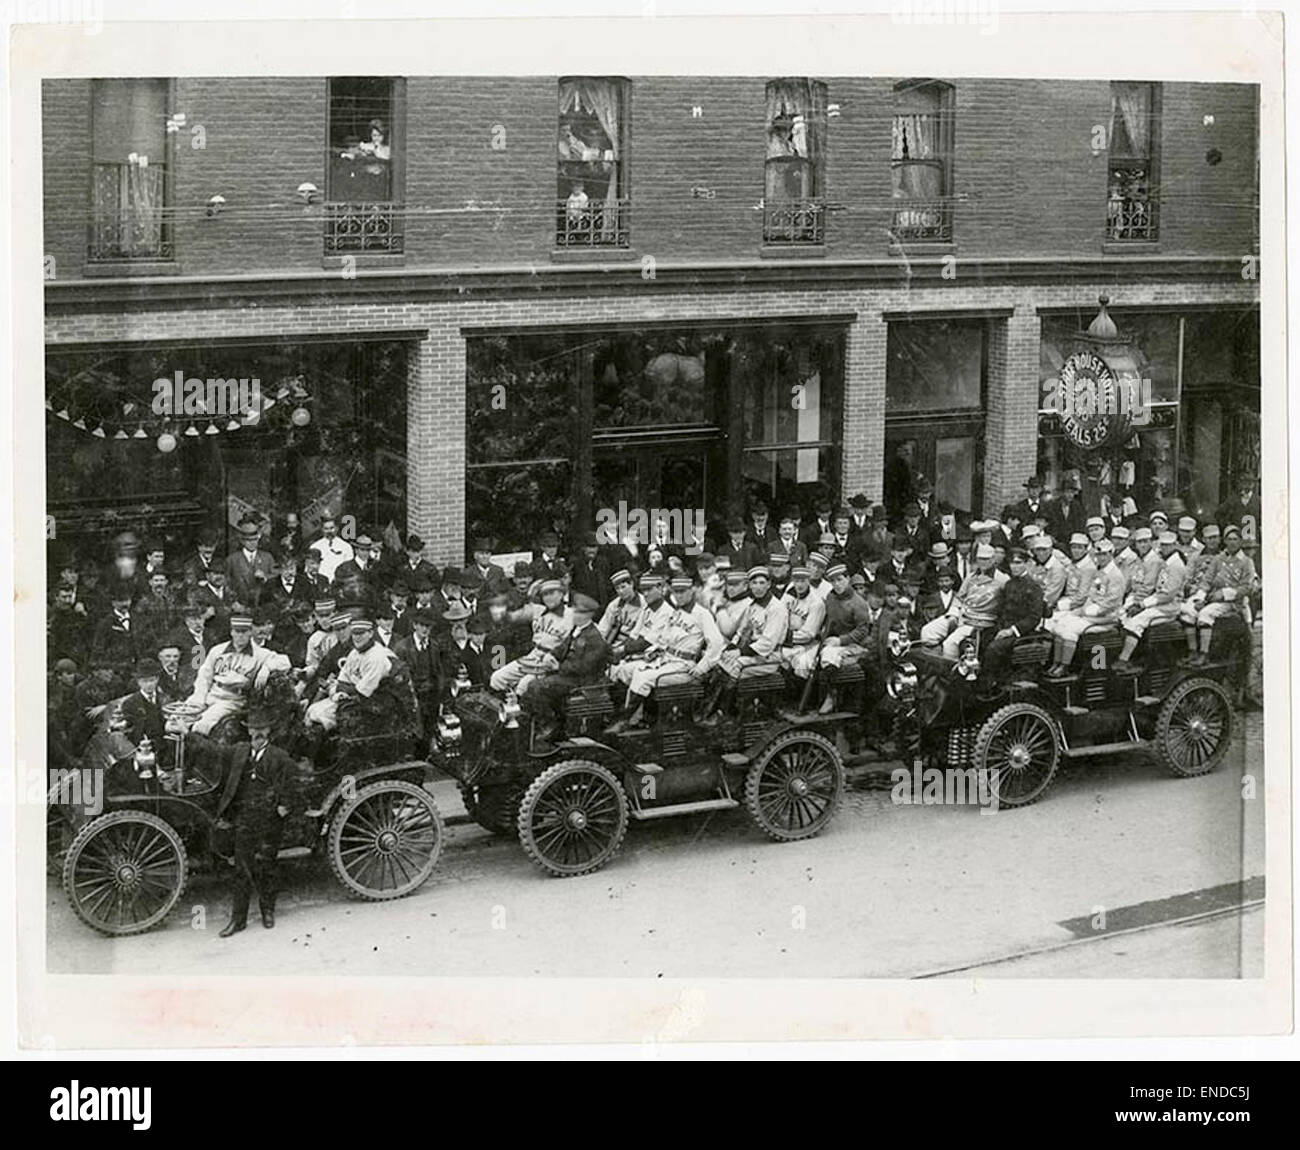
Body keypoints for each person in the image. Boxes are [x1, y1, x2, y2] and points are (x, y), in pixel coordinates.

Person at [212, 706, 304, 937]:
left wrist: (284, 807)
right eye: (253, 730)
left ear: (269, 732)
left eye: (262, 730)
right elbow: (214, 751)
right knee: (241, 870)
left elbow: (293, 783)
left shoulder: (280, 757)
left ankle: (267, 912)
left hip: (269, 821)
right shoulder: (240, 752)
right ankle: (238, 920)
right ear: (248, 732)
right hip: (245, 819)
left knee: (266, 867)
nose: (257, 734)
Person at [523, 595, 609, 752]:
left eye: (578, 613)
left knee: (538, 687)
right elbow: (562, 648)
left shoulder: (595, 638)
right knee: (531, 685)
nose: (574, 615)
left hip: (583, 682)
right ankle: (541, 725)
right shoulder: (576, 631)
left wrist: (558, 667)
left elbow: (584, 667)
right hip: (568, 676)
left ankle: (550, 726)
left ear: (588, 615)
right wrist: (551, 656)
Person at [186, 610, 286, 736]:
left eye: (244, 632)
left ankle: (195, 753)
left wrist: (266, 668)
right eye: (237, 631)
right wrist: (199, 699)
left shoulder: (259, 653)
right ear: (231, 632)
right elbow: (204, 677)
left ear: (250, 632)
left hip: (232, 700)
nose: (240, 636)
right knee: (177, 720)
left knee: (202, 724)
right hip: (212, 694)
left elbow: (285, 661)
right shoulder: (217, 650)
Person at [1044, 538, 1126, 677]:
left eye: (1104, 554)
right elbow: (1091, 595)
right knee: (1059, 626)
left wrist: (1086, 611)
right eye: (1098, 555)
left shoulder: (1115, 575)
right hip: (1091, 613)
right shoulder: (1099, 572)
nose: (1101, 558)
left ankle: (1065, 667)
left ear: (1111, 554)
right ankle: (1056, 663)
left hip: (1107, 617)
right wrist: (1080, 610)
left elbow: (1110, 603)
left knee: (1070, 630)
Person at [305, 615, 398, 733]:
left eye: (361, 633)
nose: (357, 637)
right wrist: (338, 689)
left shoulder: (377, 655)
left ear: (370, 633)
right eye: (355, 633)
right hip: (352, 697)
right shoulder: (354, 653)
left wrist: (339, 688)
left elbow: (363, 692)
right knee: (312, 711)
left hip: (377, 702)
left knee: (320, 717)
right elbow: (342, 680)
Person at [1184, 524, 1257, 665]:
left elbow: (1247, 587)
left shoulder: (1247, 562)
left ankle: (1204, 654)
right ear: (1225, 541)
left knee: (1205, 614)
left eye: (1235, 539)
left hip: (1233, 602)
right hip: (1214, 598)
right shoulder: (1218, 559)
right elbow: (1207, 580)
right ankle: (1192, 651)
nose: (1232, 542)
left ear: (1240, 541)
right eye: (1229, 539)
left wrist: (1224, 594)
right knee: (1189, 611)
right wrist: (1200, 598)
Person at [488, 578, 574, 696]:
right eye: (545, 595)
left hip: (552, 661)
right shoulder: (538, 610)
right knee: (497, 678)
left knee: (524, 686)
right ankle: (505, 709)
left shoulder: (572, 615)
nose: (548, 598)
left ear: (561, 594)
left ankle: (520, 711)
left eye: (552, 593)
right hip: (533, 656)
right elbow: (513, 616)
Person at [1116, 532, 1187, 668]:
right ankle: (1135, 657)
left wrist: (1142, 605)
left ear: (1175, 545)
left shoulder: (1175, 565)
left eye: (1169, 545)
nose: (1165, 548)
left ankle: (1124, 660)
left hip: (1169, 607)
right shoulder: (1166, 562)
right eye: (1163, 545)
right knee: (1126, 618)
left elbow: (1167, 594)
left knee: (1138, 620)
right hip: (1159, 603)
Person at [977, 548, 1046, 687]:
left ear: (1026, 564)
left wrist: (1011, 630)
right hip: (1004, 627)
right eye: (1012, 563)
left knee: (994, 648)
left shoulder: (1034, 587)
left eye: (1018, 563)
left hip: (1022, 633)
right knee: (979, 639)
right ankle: (979, 679)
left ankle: (989, 685)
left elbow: (1034, 617)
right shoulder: (1009, 584)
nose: (1014, 566)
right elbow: (1001, 610)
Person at [779, 565, 827, 684]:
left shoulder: (816, 603)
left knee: (802, 664)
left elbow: (808, 635)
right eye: (796, 581)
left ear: (809, 580)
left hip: (809, 645)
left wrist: (782, 636)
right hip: (788, 641)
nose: (799, 585)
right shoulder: (788, 595)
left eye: (803, 581)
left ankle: (803, 696)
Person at [117, 658, 168, 753]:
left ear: (157, 679)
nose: (149, 684)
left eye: (151, 680)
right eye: (144, 681)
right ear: (138, 682)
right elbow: (130, 730)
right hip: (140, 748)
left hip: (165, 747)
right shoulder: (130, 703)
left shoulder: (165, 699)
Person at [225, 516, 276, 605]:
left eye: (255, 539)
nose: (252, 543)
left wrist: (265, 578)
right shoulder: (232, 560)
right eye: (249, 540)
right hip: (240, 605)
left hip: (263, 605)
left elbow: (277, 581)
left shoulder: (267, 558)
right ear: (242, 541)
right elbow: (226, 584)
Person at [309, 515, 355, 582]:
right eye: (326, 529)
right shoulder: (315, 546)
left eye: (331, 528)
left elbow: (350, 569)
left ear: (337, 528)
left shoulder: (346, 547)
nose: (329, 531)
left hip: (339, 583)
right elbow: (310, 569)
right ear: (322, 529)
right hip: (320, 584)